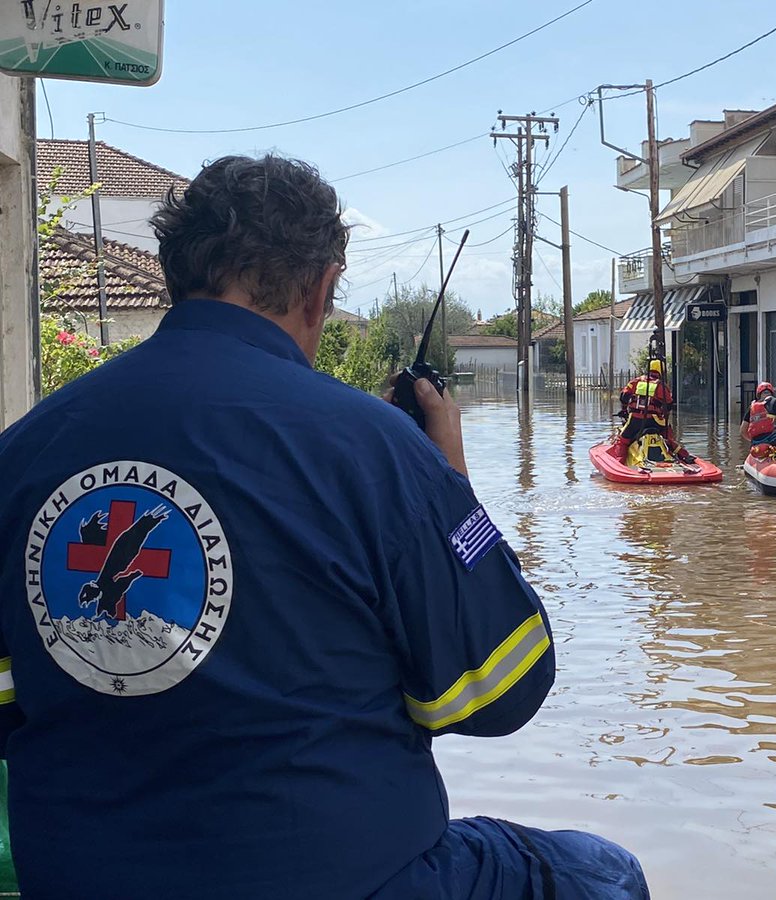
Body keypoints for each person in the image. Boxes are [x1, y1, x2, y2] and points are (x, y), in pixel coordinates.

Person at [0, 155, 649, 900]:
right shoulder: (376, 449)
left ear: (176, 274)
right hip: (351, 877)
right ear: (320, 288)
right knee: (605, 874)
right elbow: (502, 692)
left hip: (83, 878)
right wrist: (449, 485)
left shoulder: (24, 450)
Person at [615, 358, 694, 463]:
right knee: (668, 437)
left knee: (623, 440)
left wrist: (624, 410)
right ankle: (684, 455)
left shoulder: (636, 381)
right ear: (661, 372)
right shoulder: (661, 386)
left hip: (635, 419)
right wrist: (662, 415)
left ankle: (619, 462)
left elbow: (624, 396)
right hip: (654, 421)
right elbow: (669, 404)